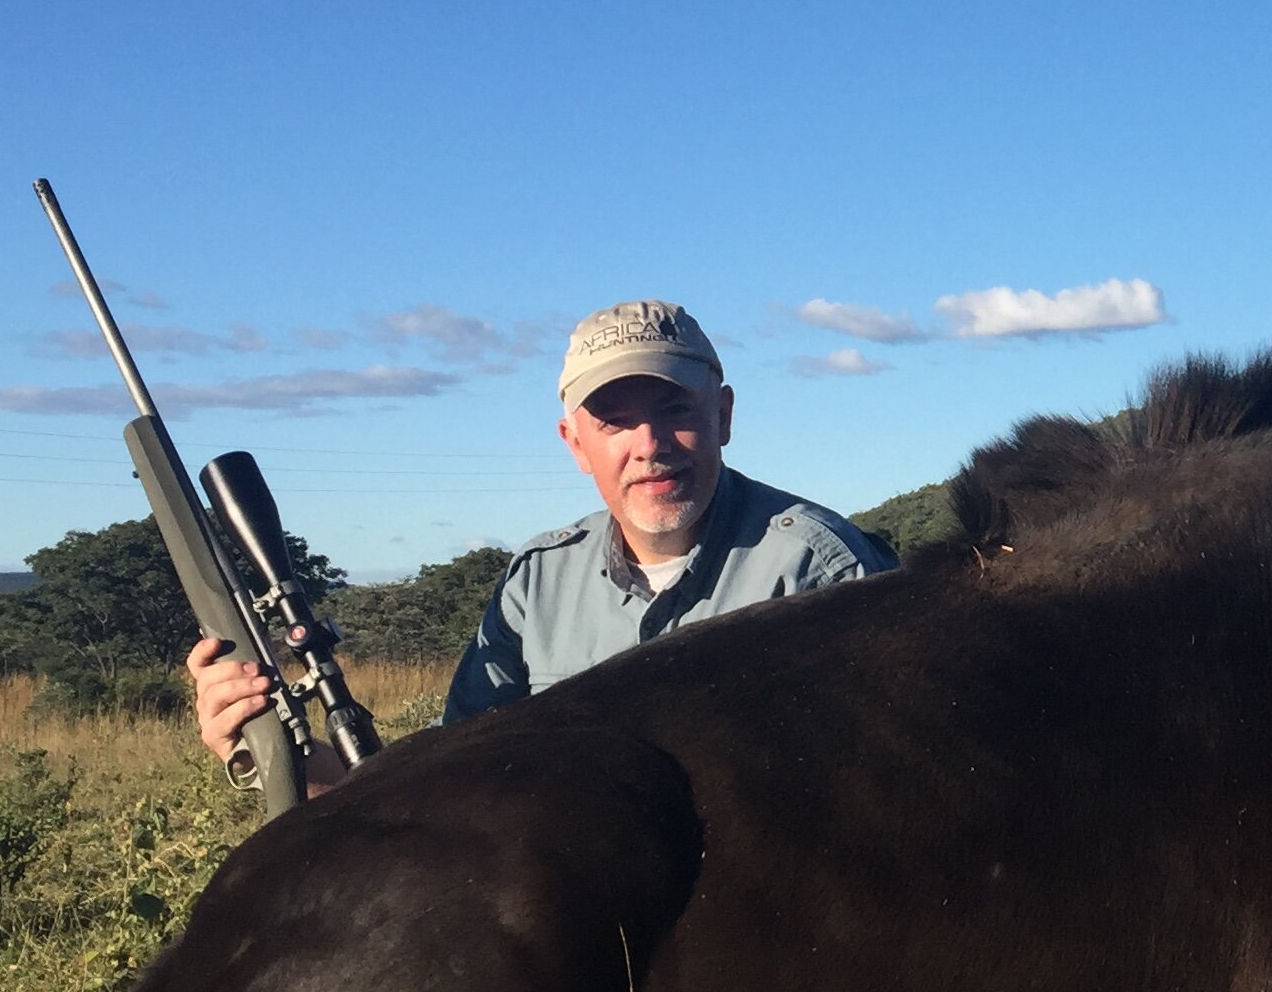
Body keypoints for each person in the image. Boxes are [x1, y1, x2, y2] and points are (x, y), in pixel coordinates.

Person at [189, 299, 893, 780]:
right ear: (575, 445)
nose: (650, 446)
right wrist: (280, 757)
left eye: (675, 410)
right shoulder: (539, 581)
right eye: (614, 421)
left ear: (724, 415)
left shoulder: (820, 570)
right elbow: (452, 787)